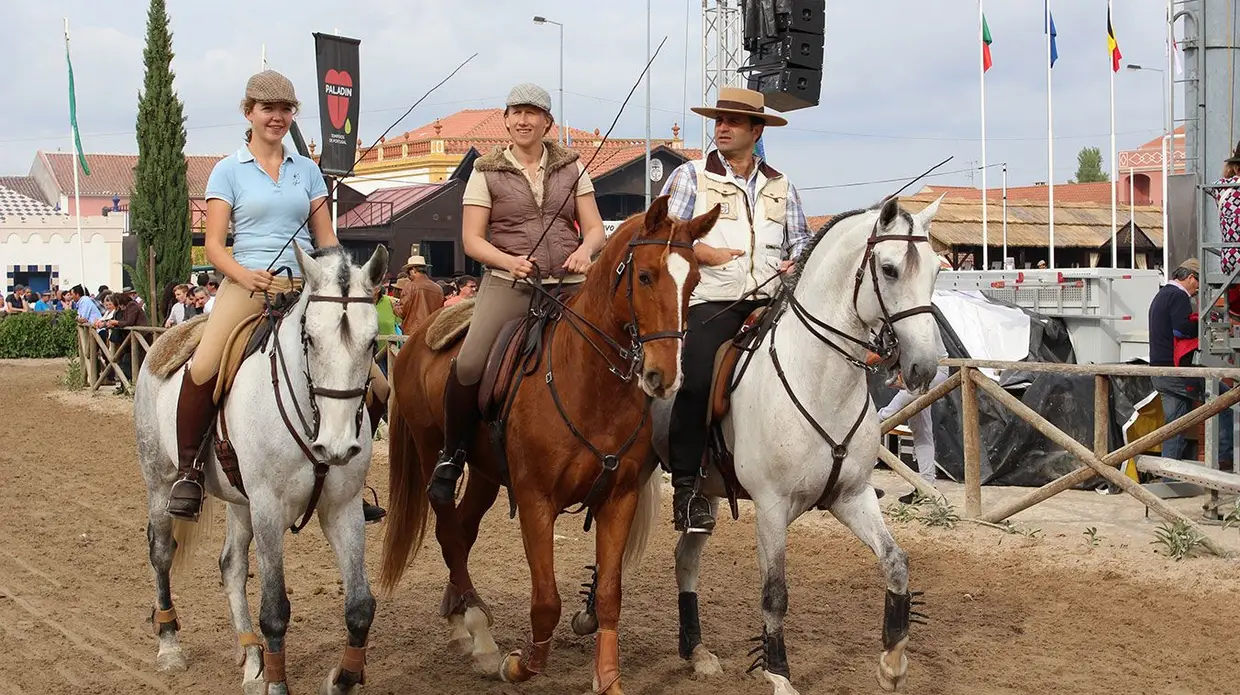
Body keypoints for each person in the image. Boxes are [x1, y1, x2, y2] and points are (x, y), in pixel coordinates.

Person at [165, 69, 388, 523]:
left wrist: (344, 279)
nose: (278, 117)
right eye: (268, 108)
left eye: (286, 109)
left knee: (379, 384)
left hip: (307, 288)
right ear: (249, 113)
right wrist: (246, 276)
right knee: (206, 363)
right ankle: (189, 471)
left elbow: (325, 239)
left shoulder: (307, 171)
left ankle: (348, 478)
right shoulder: (228, 171)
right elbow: (212, 247)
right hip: (247, 284)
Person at [425, 82, 606, 504]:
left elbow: (595, 227)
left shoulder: (574, 167)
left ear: (548, 122)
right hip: (511, 282)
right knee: (469, 363)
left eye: (532, 113)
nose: (524, 120)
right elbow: (472, 239)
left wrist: (585, 250)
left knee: (617, 352)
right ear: (506, 121)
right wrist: (508, 261)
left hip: (569, 283)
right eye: (516, 113)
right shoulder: (485, 171)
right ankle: (452, 454)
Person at [659, 86, 810, 533]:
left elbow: (801, 239)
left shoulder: (781, 184)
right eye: (719, 122)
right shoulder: (691, 177)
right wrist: (701, 253)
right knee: (697, 378)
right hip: (714, 301)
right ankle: (687, 489)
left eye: (734, 122)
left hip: (774, 299)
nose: (722, 128)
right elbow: (666, 234)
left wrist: (796, 260)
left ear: (756, 130)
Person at [1148, 258, 1233, 466]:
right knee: (1227, 401)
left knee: (1175, 426)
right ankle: (1224, 459)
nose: (1197, 290)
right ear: (1190, 278)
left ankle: (1169, 475)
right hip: (1177, 370)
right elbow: (1180, 329)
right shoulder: (1178, 296)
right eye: (1197, 284)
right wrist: (1205, 325)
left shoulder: (1161, 295)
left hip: (1159, 370)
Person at [395, 254, 444, 334]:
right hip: (432, 332)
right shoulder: (438, 288)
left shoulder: (410, 286)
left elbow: (402, 312)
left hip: (414, 333)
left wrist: (395, 306)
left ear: (413, 270)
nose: (408, 275)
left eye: (408, 272)